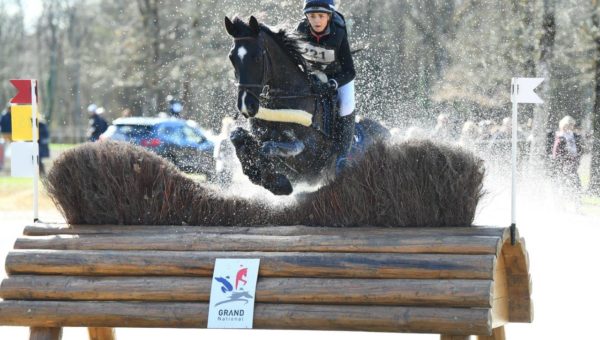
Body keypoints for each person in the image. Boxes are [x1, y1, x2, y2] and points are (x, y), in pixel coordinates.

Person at [296, 0, 356, 173]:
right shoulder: (300, 32)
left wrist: (333, 83)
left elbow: (350, 72)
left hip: (338, 77)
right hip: (311, 78)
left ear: (329, 16)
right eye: (312, 16)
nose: (316, 21)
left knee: (346, 105)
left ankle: (342, 156)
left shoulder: (338, 32)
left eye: (321, 16)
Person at [552, 115, 583, 191]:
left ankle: (576, 194)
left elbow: (580, 148)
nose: (572, 127)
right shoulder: (559, 136)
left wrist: (578, 158)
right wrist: (558, 161)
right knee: (564, 179)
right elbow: (556, 151)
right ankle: (564, 194)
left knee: (574, 178)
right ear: (565, 125)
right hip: (563, 161)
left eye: (572, 125)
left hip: (573, 161)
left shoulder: (574, 135)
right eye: (570, 125)